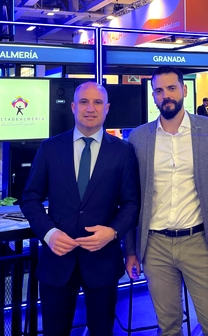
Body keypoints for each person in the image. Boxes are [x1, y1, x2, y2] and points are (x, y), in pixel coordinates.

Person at [20, 82, 140, 336]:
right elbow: (30, 198)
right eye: (84, 102)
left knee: (101, 331)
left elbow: (131, 203)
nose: (90, 108)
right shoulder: (50, 148)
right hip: (57, 261)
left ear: (107, 108)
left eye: (97, 102)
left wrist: (113, 232)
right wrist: (49, 234)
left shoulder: (123, 151)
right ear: (74, 107)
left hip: (102, 261)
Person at [124, 67, 208, 336]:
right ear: (153, 96)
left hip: (200, 243)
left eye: (171, 88)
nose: (165, 95)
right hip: (155, 246)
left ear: (184, 90)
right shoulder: (138, 138)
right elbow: (130, 198)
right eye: (159, 91)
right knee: (168, 326)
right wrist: (130, 250)